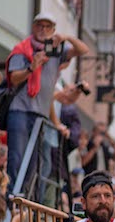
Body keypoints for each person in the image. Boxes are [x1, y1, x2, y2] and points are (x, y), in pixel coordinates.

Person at [5, 12, 88, 188]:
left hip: (41, 114)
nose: (43, 29)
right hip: (20, 110)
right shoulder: (22, 49)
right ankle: (11, 196)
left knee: (33, 163)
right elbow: (13, 79)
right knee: (16, 157)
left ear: (53, 30)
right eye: (40, 26)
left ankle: (22, 197)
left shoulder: (55, 51)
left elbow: (83, 50)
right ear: (33, 27)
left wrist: (66, 37)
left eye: (47, 26)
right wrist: (31, 67)